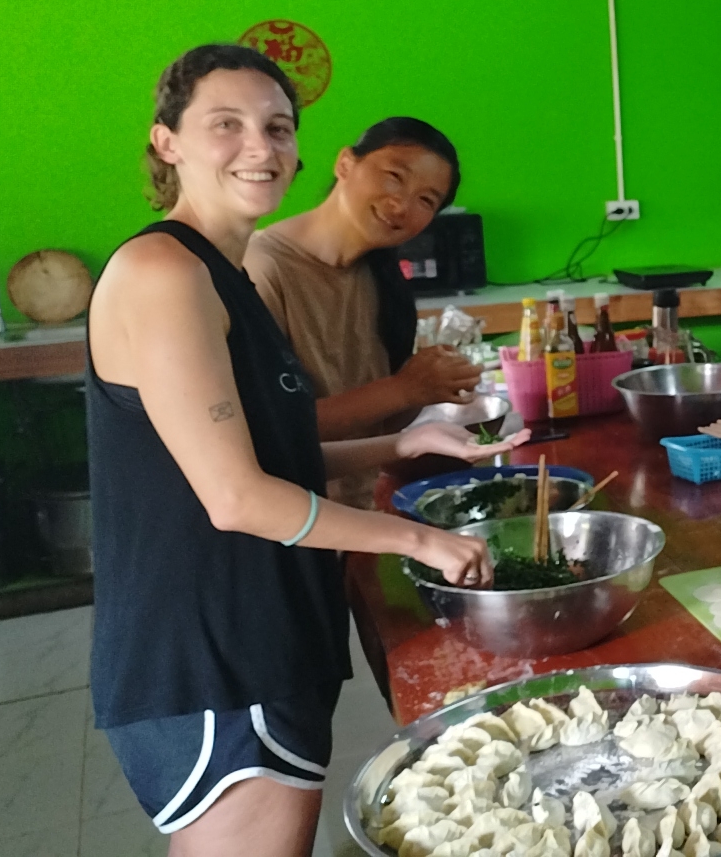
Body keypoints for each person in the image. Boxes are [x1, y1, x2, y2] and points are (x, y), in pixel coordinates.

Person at [87, 44, 527, 855]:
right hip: (213, 650)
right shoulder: (163, 273)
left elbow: (270, 455)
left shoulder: (223, 275)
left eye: (278, 127)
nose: (260, 147)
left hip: (265, 630)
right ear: (167, 141)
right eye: (227, 124)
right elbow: (237, 497)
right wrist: (418, 539)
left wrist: (404, 438)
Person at [244, 116, 482, 508]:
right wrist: (403, 388)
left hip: (358, 511)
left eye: (426, 200)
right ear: (345, 164)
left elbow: (381, 422)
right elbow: (269, 430)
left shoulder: (378, 277)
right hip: (293, 519)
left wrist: (427, 385)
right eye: (394, 176)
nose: (401, 205)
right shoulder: (261, 269)